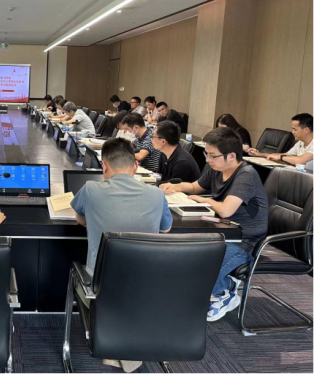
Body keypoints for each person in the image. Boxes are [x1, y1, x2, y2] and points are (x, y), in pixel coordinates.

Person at [71, 137, 172, 373]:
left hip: (100, 285)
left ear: (104, 165)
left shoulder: (90, 189)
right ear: (135, 166)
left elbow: (80, 219)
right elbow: (165, 229)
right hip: (146, 284)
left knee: (84, 278)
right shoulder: (157, 195)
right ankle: (126, 341)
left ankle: (107, 334)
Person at [159, 127, 268, 322]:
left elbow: (226, 210)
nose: (208, 160)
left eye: (212, 156)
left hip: (244, 241)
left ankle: (226, 290)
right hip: (221, 232)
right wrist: (175, 186)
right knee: (181, 255)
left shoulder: (246, 175)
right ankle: (218, 285)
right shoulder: (217, 169)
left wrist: (204, 200)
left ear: (231, 155)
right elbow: (195, 187)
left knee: (200, 266)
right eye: (206, 154)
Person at [248, 113, 314, 166]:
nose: (292, 132)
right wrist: (261, 155)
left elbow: (300, 160)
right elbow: (286, 155)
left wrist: (281, 158)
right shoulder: (300, 143)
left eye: (295, 129)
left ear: (306, 130)